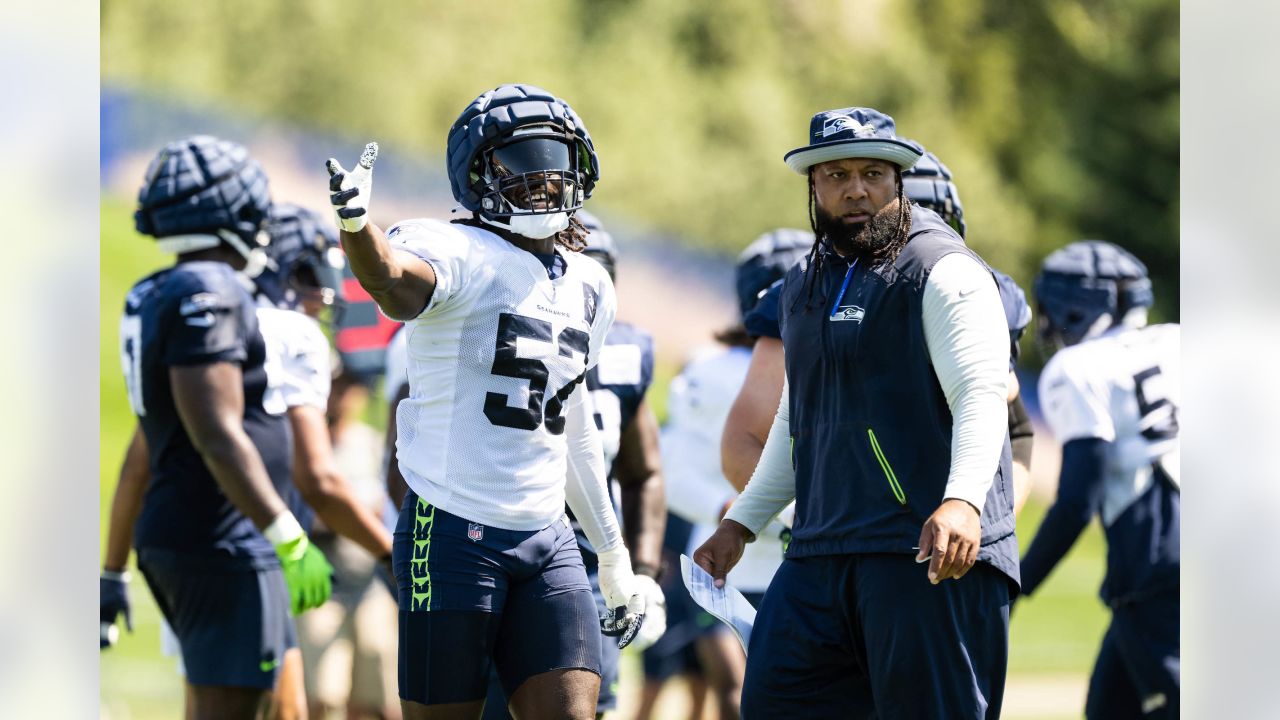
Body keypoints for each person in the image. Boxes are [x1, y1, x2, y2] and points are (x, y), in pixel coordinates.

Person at [326, 83, 651, 720]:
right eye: (519, 160)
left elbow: (574, 428)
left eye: (552, 156)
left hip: (546, 532)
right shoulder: (460, 250)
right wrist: (357, 228)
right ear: (477, 176)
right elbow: (392, 284)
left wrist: (613, 558)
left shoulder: (591, 281)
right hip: (451, 528)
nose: (541, 177)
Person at [695, 107, 1018, 719]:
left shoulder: (941, 269)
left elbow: (981, 394)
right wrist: (742, 523)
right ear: (812, 186)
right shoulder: (805, 282)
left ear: (898, 179)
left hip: (924, 551)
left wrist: (962, 502)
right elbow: (800, 418)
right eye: (836, 174)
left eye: (873, 172)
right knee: (771, 703)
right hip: (820, 550)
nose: (856, 188)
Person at [103, 135, 333, 720]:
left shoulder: (155, 288)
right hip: (222, 536)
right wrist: (285, 532)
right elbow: (216, 431)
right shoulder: (213, 288)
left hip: (192, 530)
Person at [724, 150, 1037, 515]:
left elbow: (1014, 431)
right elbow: (744, 440)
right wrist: (804, 521)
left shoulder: (969, 289)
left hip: (937, 531)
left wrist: (980, 519)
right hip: (834, 538)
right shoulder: (808, 293)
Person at [640, 228, 810, 720]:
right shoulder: (710, 372)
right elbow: (670, 464)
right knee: (738, 694)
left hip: (794, 559)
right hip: (726, 562)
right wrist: (724, 509)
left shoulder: (821, 360)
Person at [1019, 240, 1180, 718]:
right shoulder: (1178, 337)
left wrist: (1018, 584)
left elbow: (1076, 502)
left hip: (1157, 548)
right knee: (1112, 703)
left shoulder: (1078, 369)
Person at [297, 366, 401, 720]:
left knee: (379, 696)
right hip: (323, 584)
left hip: (370, 581)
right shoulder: (308, 447)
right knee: (322, 696)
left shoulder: (369, 443)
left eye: (347, 387)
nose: (339, 396)